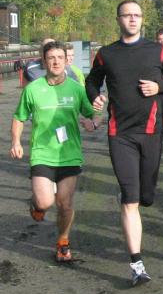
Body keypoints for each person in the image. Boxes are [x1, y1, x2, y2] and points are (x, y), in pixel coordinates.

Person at [85, 0, 163, 286]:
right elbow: (92, 82)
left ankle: (134, 196)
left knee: (146, 198)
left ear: (142, 19)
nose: (132, 19)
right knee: (131, 199)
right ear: (118, 19)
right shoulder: (106, 53)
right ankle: (137, 264)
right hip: (121, 134)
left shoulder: (157, 50)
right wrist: (95, 96)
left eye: (137, 15)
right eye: (127, 15)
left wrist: (159, 87)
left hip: (150, 132)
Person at [10, 41, 100, 263]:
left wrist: (94, 123)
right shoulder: (33, 89)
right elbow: (19, 117)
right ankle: (36, 203)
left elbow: (93, 113)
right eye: (51, 58)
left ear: (67, 60)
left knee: (65, 203)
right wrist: (16, 142)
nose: (56, 62)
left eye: (60, 57)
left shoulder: (76, 89)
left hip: (69, 154)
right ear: (44, 61)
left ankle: (62, 242)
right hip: (42, 153)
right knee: (44, 202)